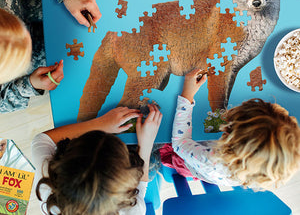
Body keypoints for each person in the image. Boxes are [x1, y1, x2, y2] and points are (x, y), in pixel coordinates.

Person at [164, 68, 300, 189]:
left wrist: (186, 96)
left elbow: (179, 143)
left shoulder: (211, 160)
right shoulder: (260, 169)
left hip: (194, 163)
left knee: (166, 148)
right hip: (222, 173)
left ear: (227, 132)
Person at [31, 104, 162, 215]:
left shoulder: (48, 190)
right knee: (154, 159)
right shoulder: (134, 210)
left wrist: (100, 124)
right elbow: (141, 186)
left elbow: (41, 140)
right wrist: (146, 144)